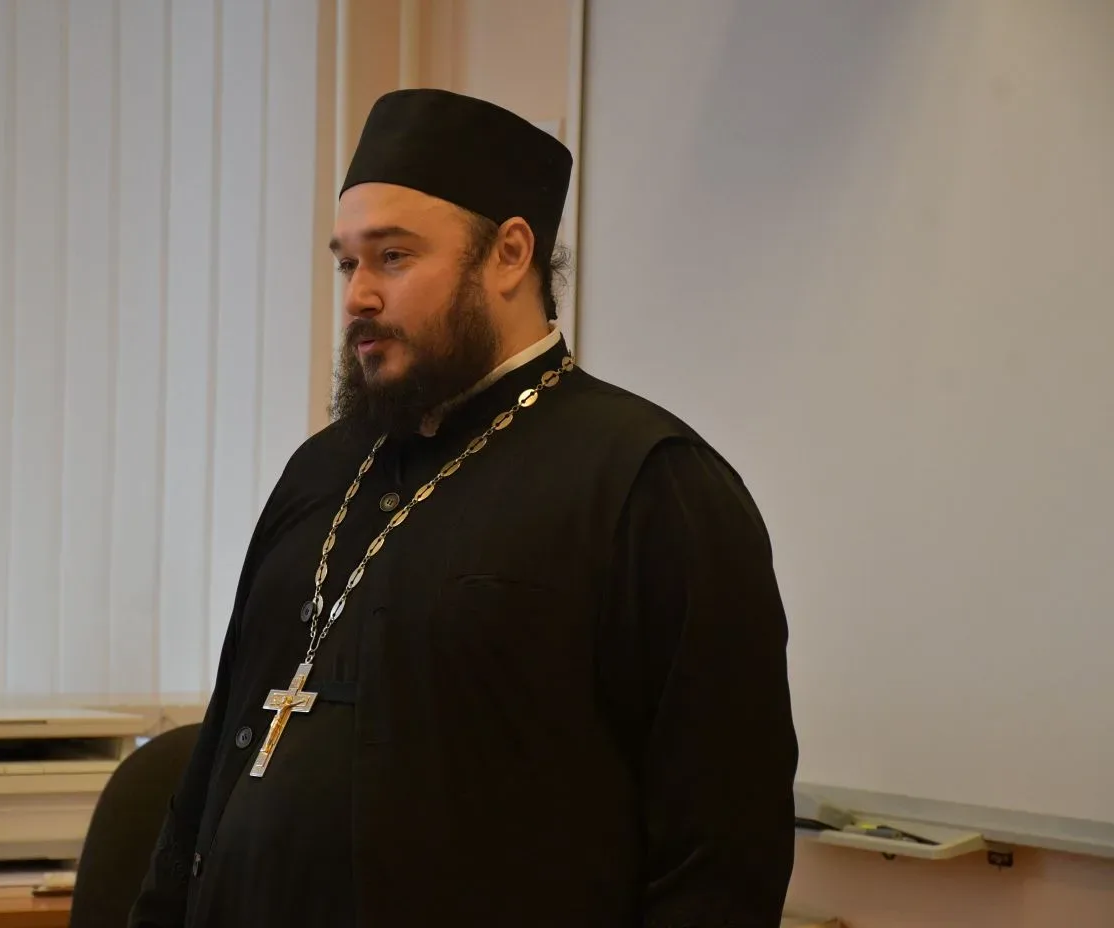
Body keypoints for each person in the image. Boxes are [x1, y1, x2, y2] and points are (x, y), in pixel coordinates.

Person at [129, 88, 798, 927]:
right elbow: (212, 770)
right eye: (347, 263)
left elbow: (722, 855)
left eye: (393, 257)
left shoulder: (651, 484)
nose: (358, 296)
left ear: (510, 254)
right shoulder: (320, 472)